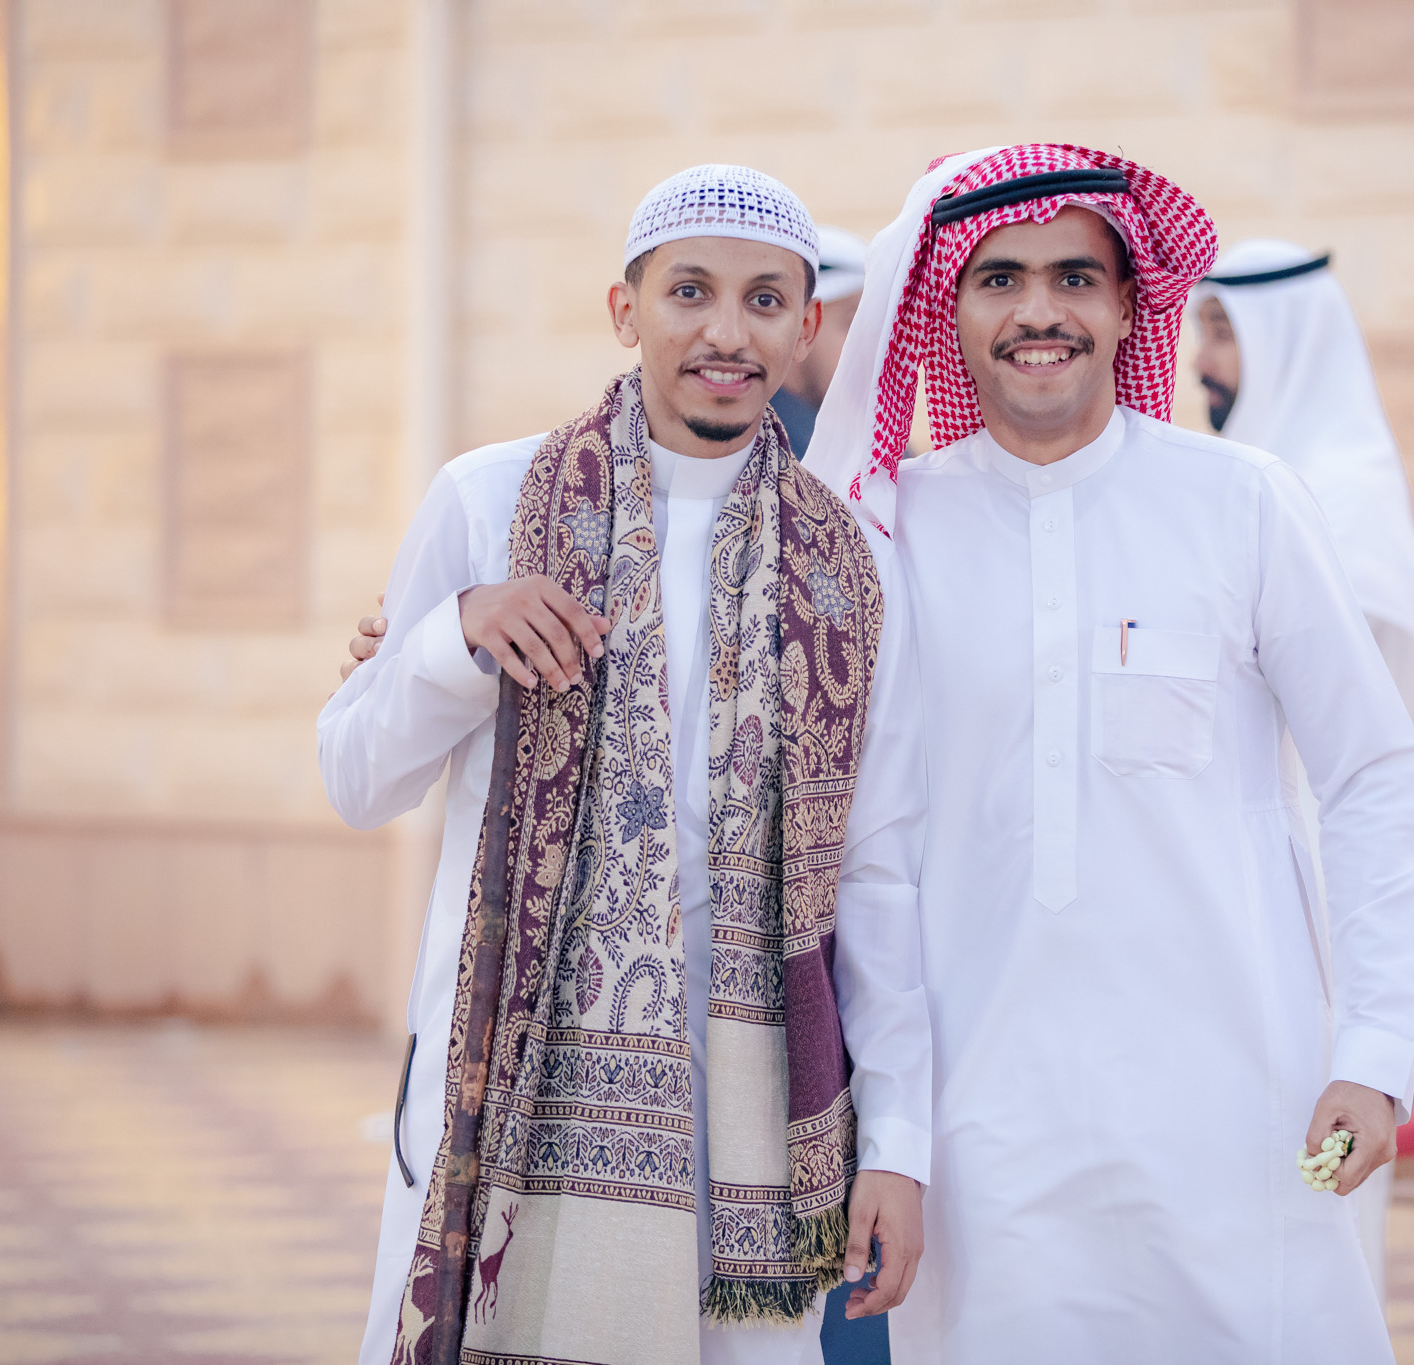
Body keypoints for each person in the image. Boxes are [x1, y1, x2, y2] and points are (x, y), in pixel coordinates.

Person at [804, 145, 1414, 1362]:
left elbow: (1369, 774)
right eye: (998, 279)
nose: (1037, 311)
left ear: (1130, 305)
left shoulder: (1241, 502)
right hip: (986, 1131)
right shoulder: (891, 531)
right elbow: (875, 863)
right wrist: (895, 1137)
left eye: (1073, 278)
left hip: (1238, 1107)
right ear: (946, 308)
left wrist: (1371, 1053)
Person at [319, 164, 930, 1365]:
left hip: (753, 1119)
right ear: (624, 309)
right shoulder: (491, 501)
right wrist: (457, 635)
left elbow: (876, 870)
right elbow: (356, 777)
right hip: (510, 1091)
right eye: (688, 292)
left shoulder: (851, 563)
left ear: (806, 328)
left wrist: (898, 1141)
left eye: (763, 301)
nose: (725, 332)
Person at [1192, 241, 1414, 1302]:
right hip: (1222, 902)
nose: (1201, 361)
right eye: (1201, 330)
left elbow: (1364, 751)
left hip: (1315, 903)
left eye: (1222, 333)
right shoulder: (1236, 487)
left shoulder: (1339, 500)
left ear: (1285, 341)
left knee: (1314, 1226)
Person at [770, 226, 866, 457]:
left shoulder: (868, 438)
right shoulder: (753, 451)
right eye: (854, 324)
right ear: (802, 328)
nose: (874, 350)